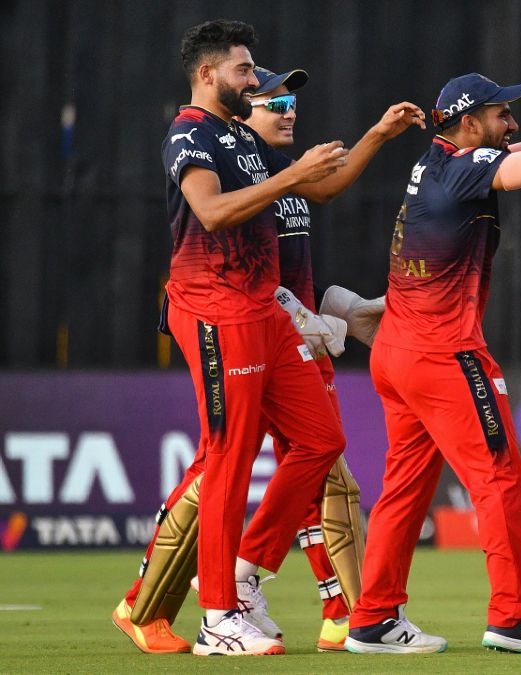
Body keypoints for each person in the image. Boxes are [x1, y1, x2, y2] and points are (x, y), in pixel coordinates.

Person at [109, 19, 419, 657]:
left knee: (321, 440)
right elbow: (211, 211)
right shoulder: (189, 134)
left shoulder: (240, 136)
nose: (255, 81)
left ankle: (244, 574)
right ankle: (218, 618)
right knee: (228, 459)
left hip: (265, 312)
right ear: (207, 74)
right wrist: (290, 175)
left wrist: (375, 136)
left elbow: (320, 187)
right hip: (217, 311)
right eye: (245, 70)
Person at [343, 44, 521, 656]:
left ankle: (373, 619)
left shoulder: (439, 158)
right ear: (470, 122)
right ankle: (514, 617)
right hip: (443, 354)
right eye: (502, 114)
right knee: (500, 480)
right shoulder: (464, 168)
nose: (513, 123)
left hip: (397, 349)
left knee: (404, 488)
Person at [224, 65, 423, 652]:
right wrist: (293, 312)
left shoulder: (277, 169)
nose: (290, 111)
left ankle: (338, 611)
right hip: (264, 344)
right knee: (313, 473)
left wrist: (377, 135)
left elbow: (327, 189)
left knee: (320, 476)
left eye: (293, 102)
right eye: (275, 102)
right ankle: (239, 585)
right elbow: (231, 268)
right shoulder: (237, 175)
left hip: (300, 342)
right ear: (242, 109)